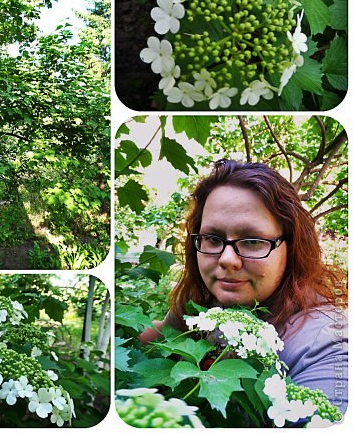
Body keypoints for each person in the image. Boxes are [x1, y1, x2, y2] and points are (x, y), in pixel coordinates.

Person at [139, 159, 348, 414]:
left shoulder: (327, 343)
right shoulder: (202, 303)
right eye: (212, 238)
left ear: (291, 247)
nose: (227, 259)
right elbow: (161, 335)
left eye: (251, 241)